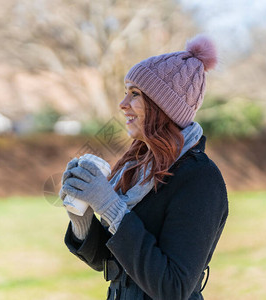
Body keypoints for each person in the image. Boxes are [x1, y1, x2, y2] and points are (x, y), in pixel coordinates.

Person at [59, 34, 228, 300]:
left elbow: (174, 288)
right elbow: (115, 264)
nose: (122, 104)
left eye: (135, 94)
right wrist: (82, 220)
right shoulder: (138, 167)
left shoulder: (199, 178)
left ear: (163, 108)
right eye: (126, 92)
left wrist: (111, 208)